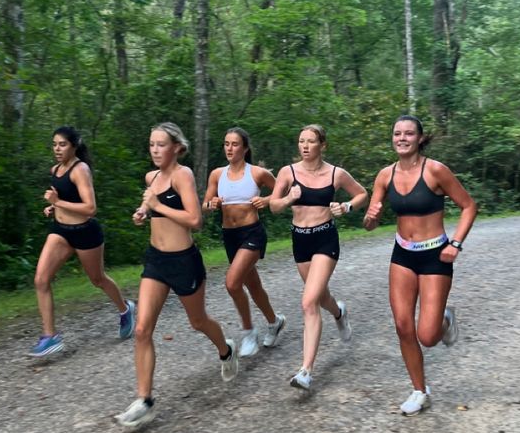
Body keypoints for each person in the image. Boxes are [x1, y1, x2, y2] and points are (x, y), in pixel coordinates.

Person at [115, 122, 239, 431]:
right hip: (156, 261)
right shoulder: (151, 178)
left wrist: (157, 205)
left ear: (176, 148)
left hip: (184, 261)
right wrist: (144, 212)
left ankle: (226, 350)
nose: (155, 150)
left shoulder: (183, 175)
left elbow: (195, 220)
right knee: (142, 328)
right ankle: (144, 400)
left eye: (161, 144)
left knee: (198, 322)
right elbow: (150, 202)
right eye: (151, 144)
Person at [363, 115, 477, 415]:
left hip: (434, 255)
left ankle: (444, 320)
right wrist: (371, 218)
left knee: (427, 336)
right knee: (403, 326)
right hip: (402, 254)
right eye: (397, 133)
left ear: (419, 138)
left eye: (409, 133)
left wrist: (456, 243)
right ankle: (419, 390)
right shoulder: (384, 176)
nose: (402, 138)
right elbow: (369, 224)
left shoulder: (436, 170)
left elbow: (468, 206)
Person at [269, 124, 368, 392]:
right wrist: (289, 197)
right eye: (301, 141)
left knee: (308, 301)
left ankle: (306, 371)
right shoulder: (288, 173)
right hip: (300, 240)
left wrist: (346, 206)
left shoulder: (336, 174)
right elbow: (273, 206)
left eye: (311, 141)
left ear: (322, 145)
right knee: (321, 297)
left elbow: (362, 194)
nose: (304, 146)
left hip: (325, 238)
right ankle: (339, 312)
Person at [30, 125, 135, 359]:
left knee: (97, 279)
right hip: (61, 232)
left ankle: (125, 310)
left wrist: (58, 201)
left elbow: (90, 208)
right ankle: (50, 336)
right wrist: (53, 206)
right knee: (41, 279)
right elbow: (66, 198)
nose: (57, 149)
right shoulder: (55, 169)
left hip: (85, 232)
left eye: (62, 144)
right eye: (54, 144)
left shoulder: (80, 170)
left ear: (74, 145)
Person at [202, 127, 286, 358]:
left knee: (232, 283)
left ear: (245, 148)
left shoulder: (257, 173)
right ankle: (274, 321)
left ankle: (249, 331)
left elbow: (284, 189)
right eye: (226, 144)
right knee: (254, 286)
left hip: (252, 233)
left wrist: (267, 199)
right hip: (230, 236)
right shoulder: (217, 174)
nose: (229, 148)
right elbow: (205, 205)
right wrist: (212, 204)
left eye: (235, 144)